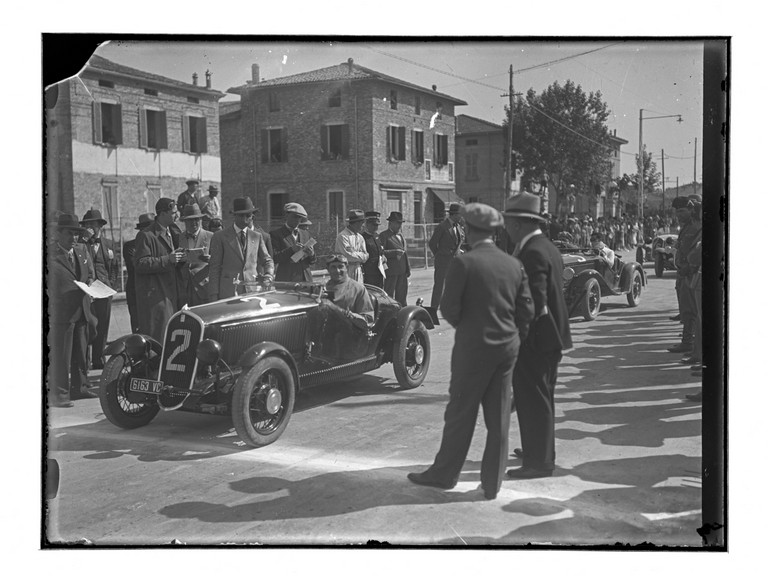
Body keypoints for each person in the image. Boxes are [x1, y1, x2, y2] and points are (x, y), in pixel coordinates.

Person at [407, 204, 534, 500]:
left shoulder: (464, 263)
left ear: (469, 230)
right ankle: (492, 484)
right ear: (494, 231)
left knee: (460, 414)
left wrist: (471, 329)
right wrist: (512, 338)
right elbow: (526, 311)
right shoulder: (513, 264)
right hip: (506, 349)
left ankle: (444, 474)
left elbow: (449, 309)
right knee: (499, 418)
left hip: (473, 349)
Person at [503, 192, 573, 479]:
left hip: (536, 339)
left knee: (534, 398)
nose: (506, 228)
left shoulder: (532, 251)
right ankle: (537, 449)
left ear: (518, 223)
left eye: (507, 222)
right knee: (540, 397)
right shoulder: (546, 246)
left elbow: (534, 302)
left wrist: (518, 338)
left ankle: (539, 462)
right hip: (550, 335)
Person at [47, 213, 99, 407]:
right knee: (63, 354)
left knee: (81, 352)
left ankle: (80, 388)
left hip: (82, 309)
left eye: (76, 234)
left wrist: (90, 282)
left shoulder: (81, 251)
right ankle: (60, 394)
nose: (74, 238)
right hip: (62, 313)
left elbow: (90, 274)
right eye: (69, 233)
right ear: (58, 233)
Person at [133, 199, 184, 342]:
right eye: (173, 213)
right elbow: (140, 263)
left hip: (172, 296)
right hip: (157, 299)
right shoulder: (146, 235)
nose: (177, 216)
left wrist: (182, 258)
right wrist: (168, 259)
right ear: (162, 214)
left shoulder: (173, 232)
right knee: (159, 340)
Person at [208, 197, 274, 301]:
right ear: (234, 216)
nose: (245, 219)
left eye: (248, 215)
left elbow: (268, 260)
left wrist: (268, 275)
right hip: (228, 293)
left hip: (252, 291)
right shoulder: (220, 236)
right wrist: (214, 294)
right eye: (241, 215)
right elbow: (214, 268)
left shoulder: (257, 236)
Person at [79, 208, 116, 369]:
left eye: (94, 225)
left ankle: (99, 359)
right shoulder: (80, 244)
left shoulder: (108, 244)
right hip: (88, 291)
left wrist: (110, 284)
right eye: (88, 225)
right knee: (88, 326)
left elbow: (114, 267)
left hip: (104, 290)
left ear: (100, 226)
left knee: (102, 326)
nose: (91, 228)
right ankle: (84, 361)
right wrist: (84, 239)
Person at [668, 196, 702, 354]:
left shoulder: (696, 227)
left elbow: (697, 251)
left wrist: (689, 267)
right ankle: (690, 340)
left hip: (692, 272)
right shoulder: (687, 226)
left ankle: (689, 341)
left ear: (691, 210)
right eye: (677, 212)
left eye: (682, 211)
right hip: (684, 272)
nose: (678, 215)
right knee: (686, 308)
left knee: (691, 310)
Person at [428, 203, 465, 310]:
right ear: (454, 214)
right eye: (460, 215)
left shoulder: (458, 227)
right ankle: (433, 310)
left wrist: (458, 251)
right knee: (439, 287)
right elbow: (432, 243)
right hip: (443, 263)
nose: (462, 217)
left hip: (455, 263)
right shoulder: (442, 227)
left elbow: (457, 243)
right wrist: (440, 255)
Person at [177, 204, 214, 307]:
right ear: (185, 221)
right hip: (185, 289)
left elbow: (219, 261)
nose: (193, 223)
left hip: (204, 287)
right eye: (190, 220)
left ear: (200, 220)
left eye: (196, 219)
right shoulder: (180, 237)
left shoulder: (211, 236)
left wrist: (210, 259)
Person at [123, 213, 154, 333]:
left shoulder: (156, 244)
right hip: (136, 291)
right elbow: (137, 267)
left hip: (153, 291)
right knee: (138, 326)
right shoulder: (131, 246)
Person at [270, 202, 316, 282]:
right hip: (286, 280)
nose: (297, 220)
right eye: (295, 217)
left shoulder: (305, 234)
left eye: (300, 218)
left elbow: (312, 261)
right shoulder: (276, 234)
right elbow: (274, 258)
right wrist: (291, 250)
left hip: (305, 279)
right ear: (286, 216)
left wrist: (311, 254)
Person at [379, 211, 411, 305]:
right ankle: (389, 312)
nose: (399, 226)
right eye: (397, 223)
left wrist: (408, 268)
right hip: (391, 271)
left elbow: (405, 253)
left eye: (400, 223)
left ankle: (402, 311)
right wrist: (395, 252)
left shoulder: (401, 235)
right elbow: (381, 252)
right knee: (389, 296)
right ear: (391, 223)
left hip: (402, 271)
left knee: (402, 296)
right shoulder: (384, 235)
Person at [334, 209, 369, 283]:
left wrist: (356, 254)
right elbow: (348, 256)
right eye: (361, 223)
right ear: (355, 223)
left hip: (358, 269)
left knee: (358, 289)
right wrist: (360, 255)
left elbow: (366, 256)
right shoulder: (343, 236)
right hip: (346, 269)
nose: (363, 225)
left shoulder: (360, 237)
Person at [361, 211, 386, 288]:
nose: (376, 227)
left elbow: (381, 249)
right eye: (374, 225)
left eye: (377, 225)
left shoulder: (377, 236)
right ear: (367, 224)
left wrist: (383, 256)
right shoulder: (362, 237)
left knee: (379, 290)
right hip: (369, 272)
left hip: (379, 270)